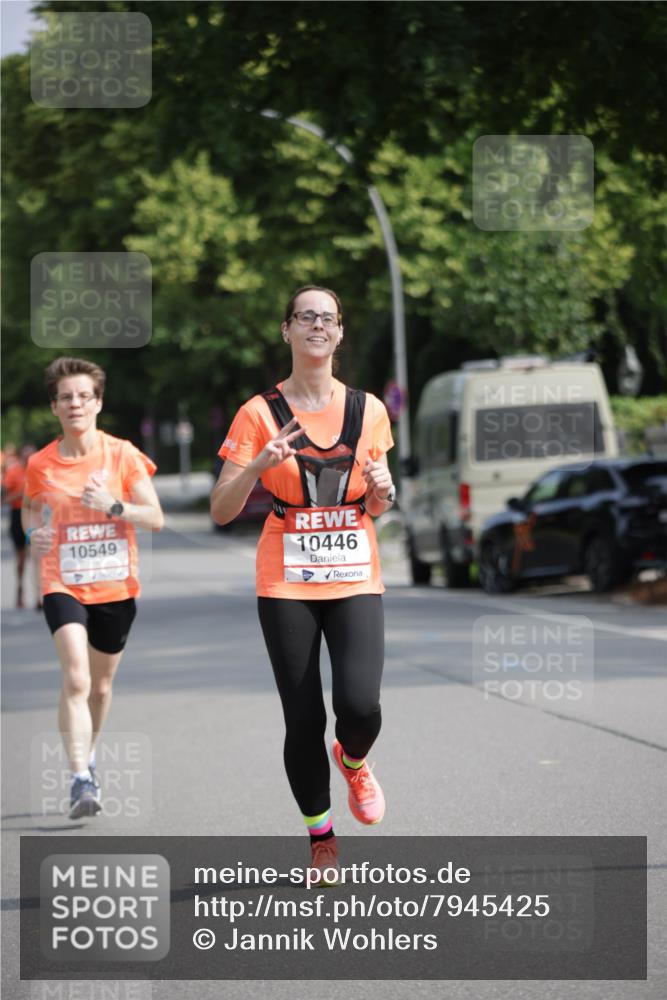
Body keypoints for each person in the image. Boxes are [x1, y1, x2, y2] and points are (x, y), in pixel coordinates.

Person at [211, 285, 396, 883]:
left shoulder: (370, 410)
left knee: (360, 705)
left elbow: (377, 498)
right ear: (286, 330)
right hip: (285, 578)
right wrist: (259, 468)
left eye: (328, 318)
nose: (317, 325)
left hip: (354, 573)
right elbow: (220, 508)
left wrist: (384, 493)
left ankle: (355, 759)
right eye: (305, 317)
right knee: (303, 717)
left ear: (340, 333)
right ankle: (321, 839)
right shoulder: (256, 414)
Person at [23, 357, 164, 819]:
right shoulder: (41, 463)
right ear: (55, 407)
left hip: (114, 585)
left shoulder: (121, 454)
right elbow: (29, 509)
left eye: (84, 396)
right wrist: (32, 534)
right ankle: (80, 776)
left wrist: (114, 504)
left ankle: (90, 752)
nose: (75, 403)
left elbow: (155, 517)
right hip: (62, 580)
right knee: (77, 677)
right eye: (66, 397)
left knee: (100, 688)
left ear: (98, 403)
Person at [2, 443, 35, 608]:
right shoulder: (14, 473)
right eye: (26, 457)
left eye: (32, 456)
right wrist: (21, 495)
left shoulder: (41, 471)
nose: (29, 460)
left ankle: (39, 595)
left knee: (38, 557)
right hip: (18, 515)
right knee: (21, 558)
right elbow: (3, 500)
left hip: (36, 516)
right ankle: (20, 588)